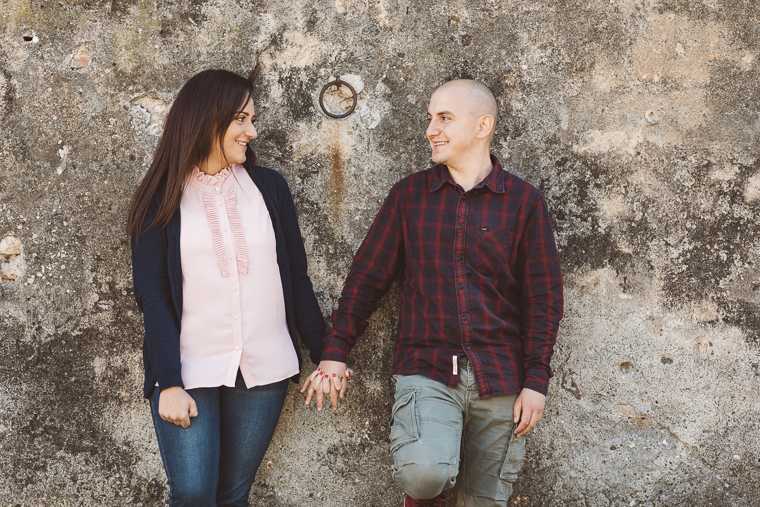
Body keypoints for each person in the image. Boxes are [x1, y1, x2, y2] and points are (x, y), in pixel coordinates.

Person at [301, 79, 564, 506]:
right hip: (429, 368)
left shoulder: (523, 202)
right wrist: (336, 350)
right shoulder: (410, 196)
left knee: (484, 499)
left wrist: (537, 381)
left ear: (483, 126)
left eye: (444, 118)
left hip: (500, 377)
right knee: (425, 473)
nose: (431, 129)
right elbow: (367, 279)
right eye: (430, 118)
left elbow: (543, 299)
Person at [128, 69, 326, 506]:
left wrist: (326, 351)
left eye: (251, 119)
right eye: (241, 119)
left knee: (233, 496)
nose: (251, 131)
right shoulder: (159, 198)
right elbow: (154, 297)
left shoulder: (269, 187)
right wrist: (168, 381)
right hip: (189, 369)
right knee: (195, 493)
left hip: (264, 364)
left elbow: (295, 276)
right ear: (206, 119)